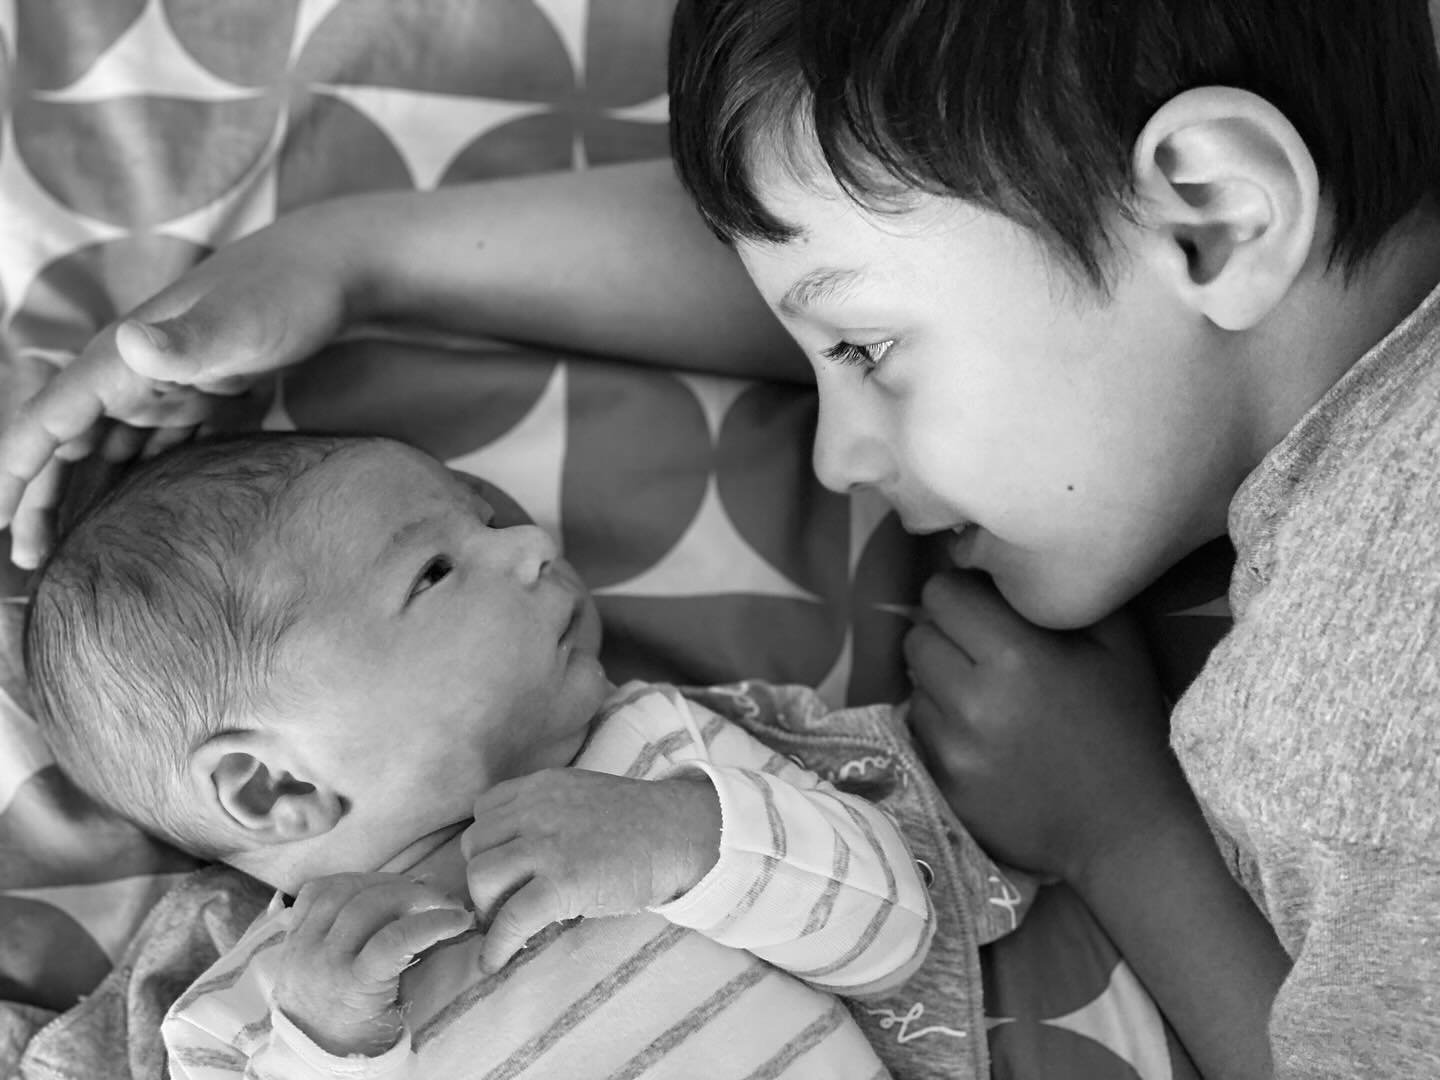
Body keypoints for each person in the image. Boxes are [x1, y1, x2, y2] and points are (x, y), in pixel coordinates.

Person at [2, 0, 1437, 1075]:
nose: (836, 455)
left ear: (1213, 214)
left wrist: (1124, 832)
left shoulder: (1351, 682)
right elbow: (898, 225)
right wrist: (349, 258)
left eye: (866, 350)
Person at [24, 429, 1032, 1080]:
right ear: (271, 783)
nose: (532, 543)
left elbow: (902, 935)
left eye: (490, 521)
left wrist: (689, 843)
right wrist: (332, 1046)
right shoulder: (253, 1018)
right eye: (435, 569)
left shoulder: (662, 760)